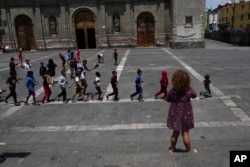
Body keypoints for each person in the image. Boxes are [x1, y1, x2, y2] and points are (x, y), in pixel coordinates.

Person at [166, 69, 197, 154]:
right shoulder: (189, 90)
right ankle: (189, 150)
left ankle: (172, 149)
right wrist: (189, 87)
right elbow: (195, 95)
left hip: (175, 114)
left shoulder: (172, 91)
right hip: (186, 114)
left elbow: (168, 99)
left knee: (175, 133)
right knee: (185, 133)